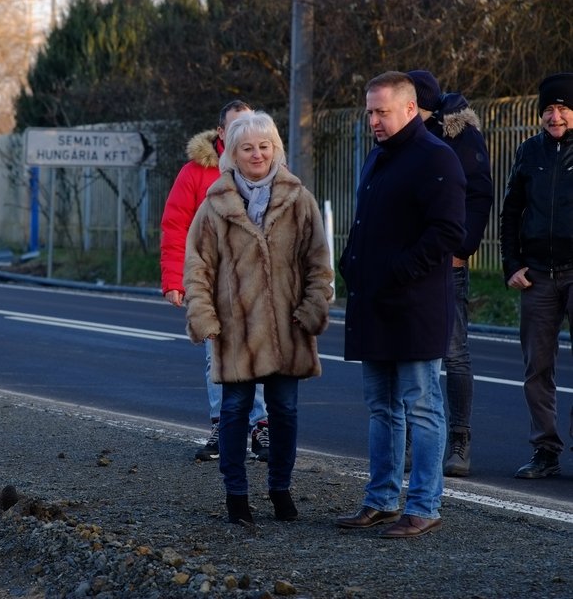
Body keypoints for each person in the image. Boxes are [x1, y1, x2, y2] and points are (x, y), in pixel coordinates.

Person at [183, 111, 333, 525]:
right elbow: (197, 267)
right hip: (237, 330)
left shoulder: (298, 198)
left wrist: (312, 309)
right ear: (232, 152)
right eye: (247, 147)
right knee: (234, 410)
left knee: (285, 410)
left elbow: (319, 261)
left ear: (276, 149)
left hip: (289, 328)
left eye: (264, 146)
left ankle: (281, 489)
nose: (257, 154)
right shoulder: (216, 203)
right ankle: (236, 496)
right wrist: (206, 319)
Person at [336, 71, 465, 538]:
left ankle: (424, 505)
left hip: (414, 306)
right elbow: (364, 222)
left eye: (382, 111)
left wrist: (398, 271)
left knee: (422, 407)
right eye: (370, 111)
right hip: (374, 304)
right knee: (381, 408)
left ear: (410, 109)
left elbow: (449, 233)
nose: (373, 119)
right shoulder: (377, 158)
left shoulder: (436, 157)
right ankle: (381, 499)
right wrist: (350, 263)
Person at [160, 100, 271, 462]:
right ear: (221, 133)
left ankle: (260, 427)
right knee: (217, 355)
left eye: (252, 125)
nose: (246, 133)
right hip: (211, 281)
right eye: (238, 126)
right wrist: (174, 279)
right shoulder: (196, 173)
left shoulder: (268, 169)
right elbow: (176, 226)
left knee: (258, 353)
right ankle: (223, 428)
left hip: (258, 281)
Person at [406, 70, 495, 477]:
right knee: (407, 352)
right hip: (408, 262)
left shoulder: (460, 137)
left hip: (447, 262)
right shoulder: (397, 136)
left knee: (454, 353)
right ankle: (411, 439)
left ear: (420, 104)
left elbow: (479, 195)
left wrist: (463, 249)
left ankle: (459, 439)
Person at [499, 72, 573, 479]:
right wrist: (512, 264)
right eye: (547, 109)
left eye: (562, 107)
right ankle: (545, 451)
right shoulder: (529, 152)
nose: (554, 115)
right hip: (538, 277)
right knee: (537, 368)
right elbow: (511, 212)